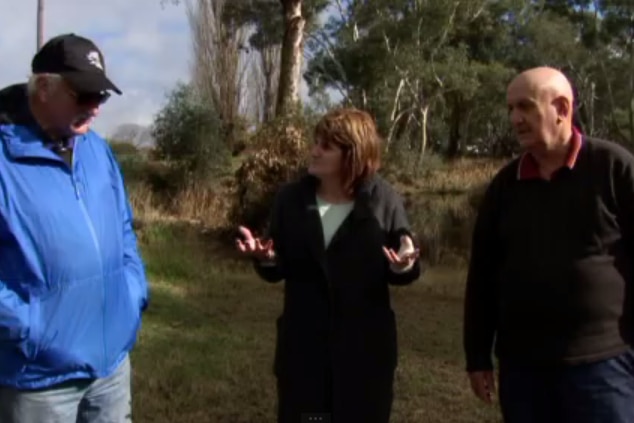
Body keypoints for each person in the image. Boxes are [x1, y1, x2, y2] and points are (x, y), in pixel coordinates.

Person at [463, 66, 634, 422]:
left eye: (524, 107)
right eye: (511, 109)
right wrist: (477, 355)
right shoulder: (504, 186)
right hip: (523, 372)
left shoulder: (614, 167)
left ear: (562, 108)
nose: (515, 119)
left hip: (603, 366)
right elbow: (482, 275)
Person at [236, 108, 421, 423]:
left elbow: (404, 261)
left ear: (353, 155)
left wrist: (403, 265)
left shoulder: (383, 199)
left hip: (365, 357)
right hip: (305, 356)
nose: (314, 150)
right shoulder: (290, 200)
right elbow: (277, 263)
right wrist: (265, 257)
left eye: (326, 146)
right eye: (316, 142)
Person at [0, 33, 148, 422]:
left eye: (101, 96)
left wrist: (132, 294)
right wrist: (28, 328)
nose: (96, 108)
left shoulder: (97, 150)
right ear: (44, 88)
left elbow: (123, 228)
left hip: (111, 368)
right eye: (84, 96)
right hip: (39, 381)